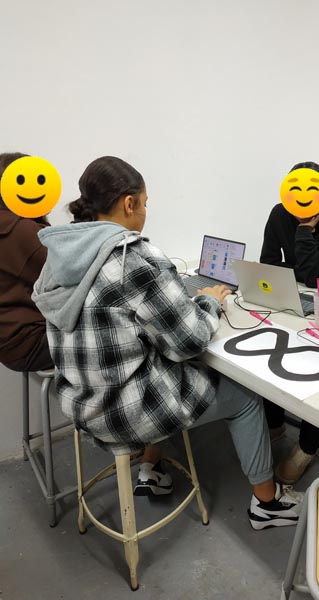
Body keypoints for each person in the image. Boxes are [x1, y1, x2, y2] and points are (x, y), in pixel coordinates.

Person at [32, 155, 302, 530]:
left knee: (160, 366)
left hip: (82, 401)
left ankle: (150, 470)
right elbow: (189, 340)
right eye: (145, 203)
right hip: (125, 412)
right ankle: (267, 504)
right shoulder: (130, 257)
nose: (145, 212)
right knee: (244, 395)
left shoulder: (60, 257)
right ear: (129, 204)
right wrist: (210, 302)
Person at [261, 161, 319, 484]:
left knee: (318, 368)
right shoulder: (279, 213)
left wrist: (303, 231)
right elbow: (269, 263)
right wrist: (294, 274)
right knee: (267, 352)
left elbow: (317, 277)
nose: (302, 198)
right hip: (291, 297)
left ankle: (308, 447)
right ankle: (275, 424)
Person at [0, 152, 53, 372]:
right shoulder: (18, 231)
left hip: (9, 343)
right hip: (31, 342)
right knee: (126, 335)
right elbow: (70, 275)